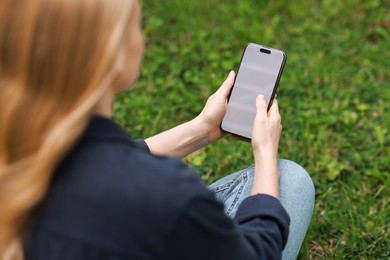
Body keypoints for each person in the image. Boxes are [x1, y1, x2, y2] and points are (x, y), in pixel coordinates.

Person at [0, 0, 315, 259]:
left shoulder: (20, 150)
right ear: (114, 56)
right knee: (291, 180)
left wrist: (202, 130)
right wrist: (265, 151)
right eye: (135, 25)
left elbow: (101, 167)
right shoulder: (167, 196)